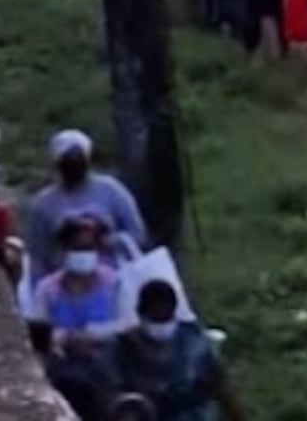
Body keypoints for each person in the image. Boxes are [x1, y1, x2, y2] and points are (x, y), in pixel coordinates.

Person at [111, 279, 248, 421]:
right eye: (156, 319)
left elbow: (221, 387)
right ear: (141, 314)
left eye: (165, 318)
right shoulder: (122, 348)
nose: (161, 325)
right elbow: (115, 399)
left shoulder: (194, 341)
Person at [29, 217, 124, 421]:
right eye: (77, 248)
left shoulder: (114, 283)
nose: (83, 254)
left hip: (108, 366)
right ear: (63, 250)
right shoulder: (47, 289)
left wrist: (92, 335)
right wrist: (66, 339)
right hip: (61, 368)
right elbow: (37, 332)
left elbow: (128, 323)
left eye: (89, 248)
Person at [26, 129, 147, 284]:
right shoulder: (43, 203)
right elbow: (38, 256)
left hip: (115, 281)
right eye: (68, 159)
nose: (74, 164)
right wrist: (38, 290)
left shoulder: (111, 190)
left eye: (79, 157)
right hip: (64, 285)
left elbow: (138, 234)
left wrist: (107, 241)